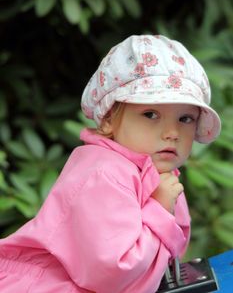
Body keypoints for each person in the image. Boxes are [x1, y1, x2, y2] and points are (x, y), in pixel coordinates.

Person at [0, 35, 221, 292]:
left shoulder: (153, 170)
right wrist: (159, 209)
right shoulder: (103, 173)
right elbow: (112, 274)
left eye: (185, 118)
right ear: (107, 118)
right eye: (151, 114)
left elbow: (168, 253)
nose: (172, 132)